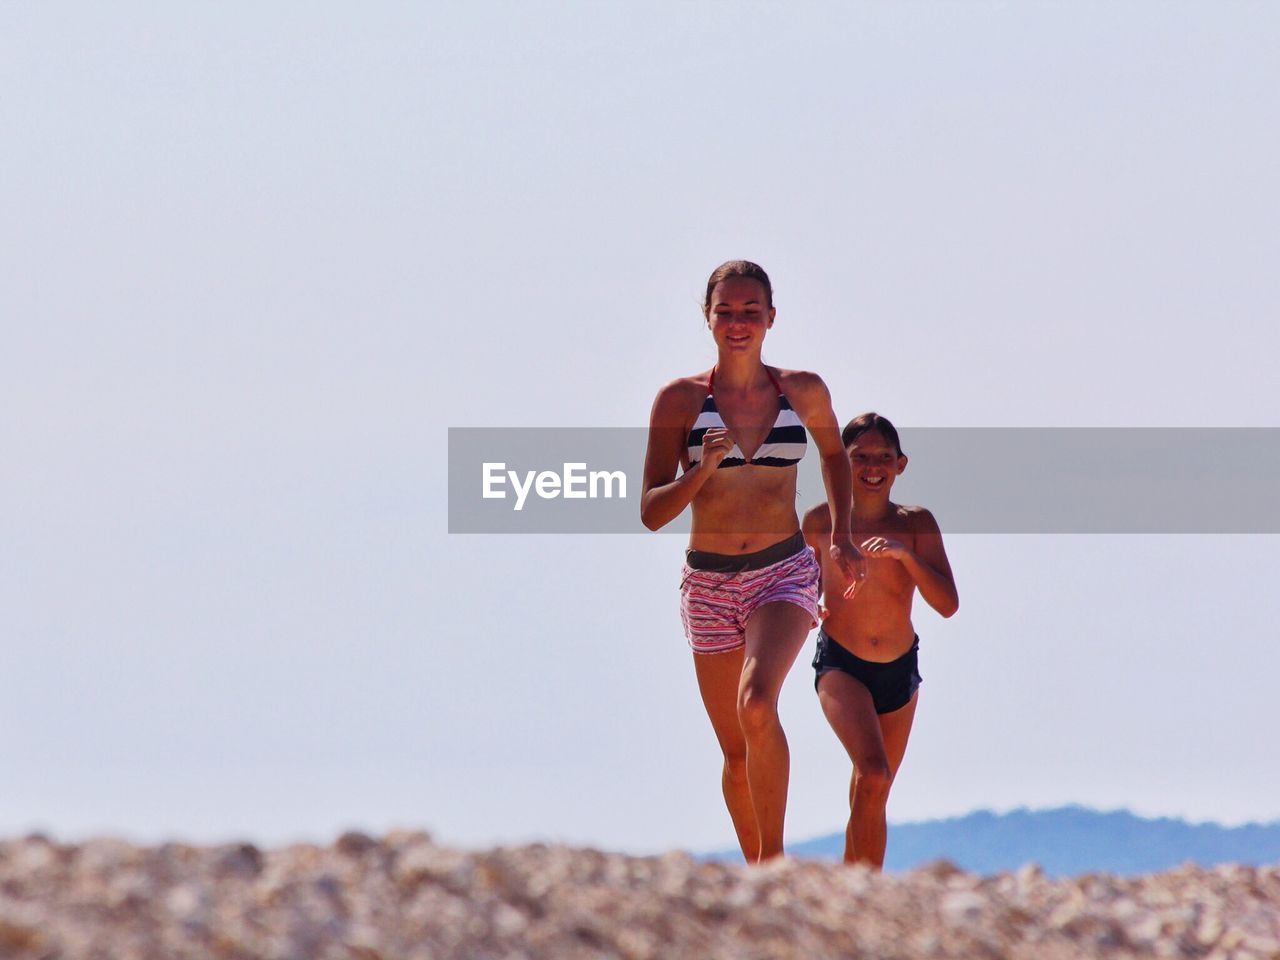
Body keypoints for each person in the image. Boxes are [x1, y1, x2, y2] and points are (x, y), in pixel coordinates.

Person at [641, 260, 863, 863]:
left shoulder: (802, 389)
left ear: (771, 317)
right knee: (737, 753)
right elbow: (652, 510)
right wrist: (701, 471)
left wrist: (840, 535)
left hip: (782, 571)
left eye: (750, 311)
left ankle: (779, 868)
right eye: (726, 311)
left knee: (757, 702)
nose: (738, 323)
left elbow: (834, 456)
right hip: (708, 583)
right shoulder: (680, 399)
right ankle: (759, 879)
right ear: (708, 318)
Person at [801, 412, 959, 868]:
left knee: (873, 790)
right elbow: (798, 591)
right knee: (873, 772)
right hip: (840, 664)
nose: (873, 466)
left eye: (883, 457)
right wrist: (813, 608)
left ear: (901, 464)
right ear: (840, 464)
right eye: (860, 457)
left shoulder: (916, 523)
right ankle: (858, 890)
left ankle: (855, 895)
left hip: (899, 670)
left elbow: (947, 604)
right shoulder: (818, 521)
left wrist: (905, 556)